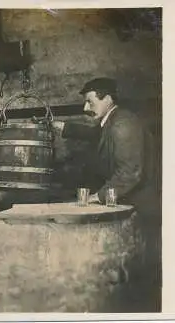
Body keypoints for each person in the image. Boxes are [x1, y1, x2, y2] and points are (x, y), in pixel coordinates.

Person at [50, 77, 161, 311]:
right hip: (134, 202)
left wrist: (97, 197)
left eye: (90, 102)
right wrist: (63, 127)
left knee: (143, 275)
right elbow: (98, 136)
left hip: (144, 207)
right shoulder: (114, 120)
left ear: (107, 98)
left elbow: (130, 173)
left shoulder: (123, 125)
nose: (85, 108)